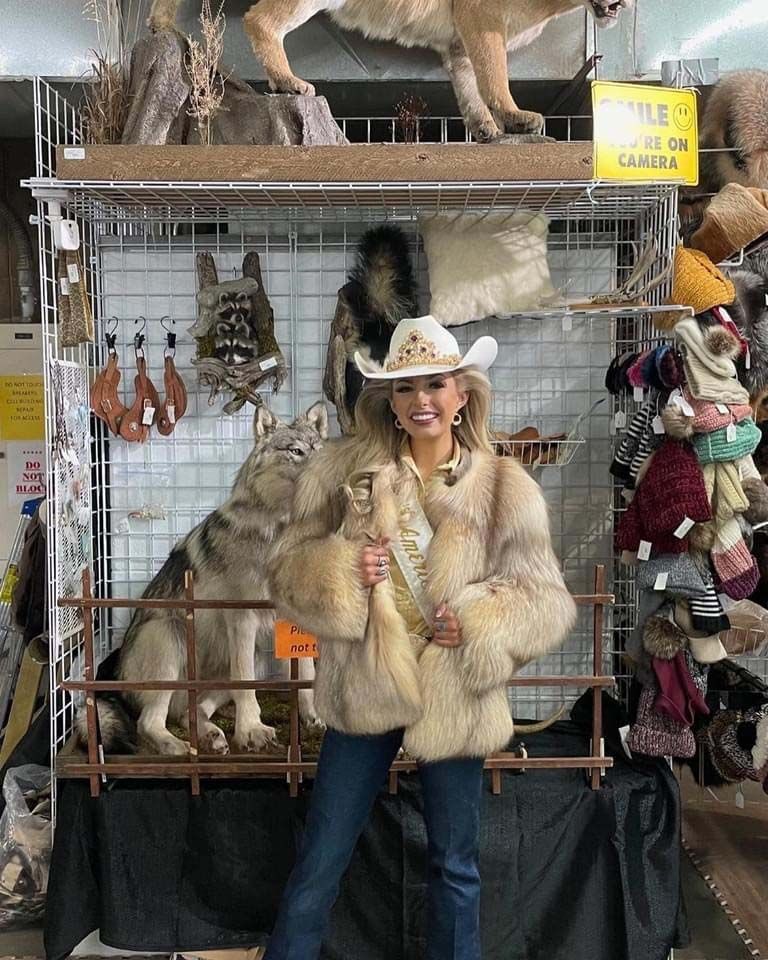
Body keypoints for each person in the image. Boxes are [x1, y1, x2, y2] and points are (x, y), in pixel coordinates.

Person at [264, 315, 576, 960]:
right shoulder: (342, 472)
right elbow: (287, 568)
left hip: (455, 692)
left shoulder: (504, 488)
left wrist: (481, 618)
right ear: (389, 400)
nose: (421, 400)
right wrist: (341, 571)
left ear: (463, 394)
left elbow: (543, 599)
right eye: (405, 388)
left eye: (436, 384)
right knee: (320, 860)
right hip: (365, 683)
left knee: (456, 867)